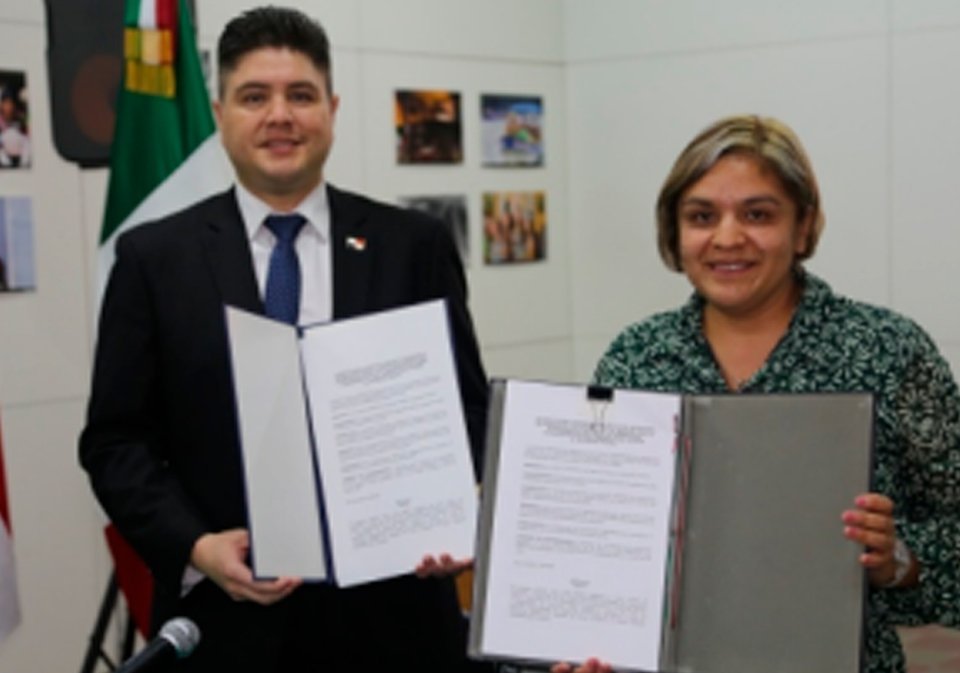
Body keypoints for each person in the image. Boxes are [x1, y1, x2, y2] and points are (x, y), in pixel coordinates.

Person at [79, 7, 488, 672]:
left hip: (398, 620)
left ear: (332, 108)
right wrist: (197, 547)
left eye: (300, 95)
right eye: (254, 97)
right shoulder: (153, 258)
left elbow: (466, 410)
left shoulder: (413, 245)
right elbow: (115, 443)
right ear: (220, 114)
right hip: (226, 627)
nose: (280, 116)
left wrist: (448, 514)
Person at [553, 115, 960, 673]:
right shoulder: (636, 356)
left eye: (758, 214)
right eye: (701, 216)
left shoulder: (888, 350)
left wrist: (900, 559)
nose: (727, 238)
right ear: (674, 232)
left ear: (803, 227)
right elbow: (598, 541)